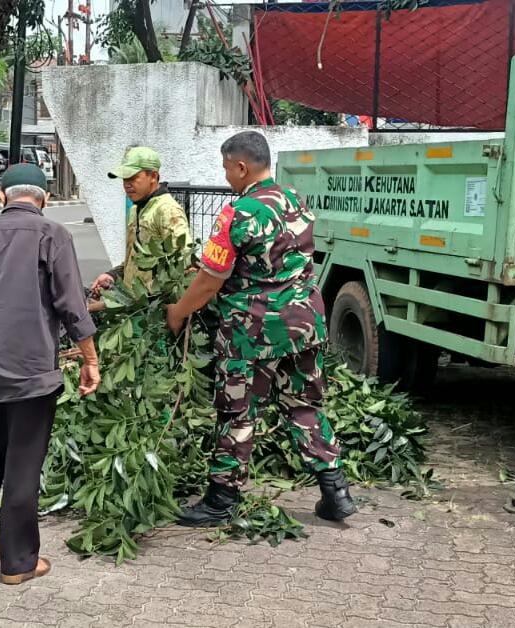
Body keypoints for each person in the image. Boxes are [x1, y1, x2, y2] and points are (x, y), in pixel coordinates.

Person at [165, 131, 356, 526]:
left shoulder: (239, 212)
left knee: (236, 411)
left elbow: (210, 280)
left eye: (226, 169)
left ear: (241, 166)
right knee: (304, 404)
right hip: (304, 324)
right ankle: (335, 490)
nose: (226, 178)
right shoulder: (294, 200)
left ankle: (221, 499)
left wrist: (179, 312)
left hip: (252, 332)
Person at [0, 164, 100, 586]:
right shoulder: (52, 235)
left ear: (2, 197)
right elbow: (71, 304)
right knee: (22, 466)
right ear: (44, 199)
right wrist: (90, 358)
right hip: (30, 372)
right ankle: (18, 563)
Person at [90, 147, 190, 296]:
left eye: (133, 177)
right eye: (124, 178)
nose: (127, 184)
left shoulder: (167, 210)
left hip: (155, 308)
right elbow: (134, 259)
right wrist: (112, 275)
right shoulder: (137, 209)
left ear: (153, 176)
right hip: (135, 305)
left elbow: (184, 263)